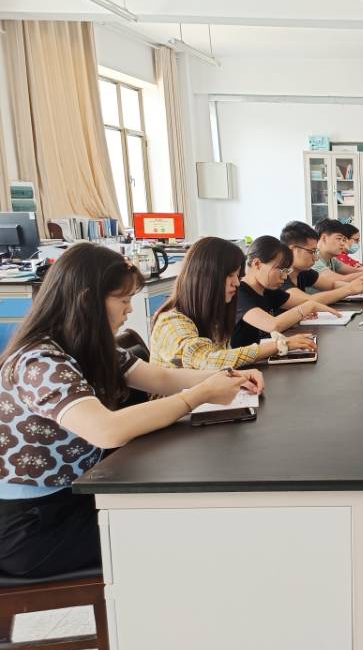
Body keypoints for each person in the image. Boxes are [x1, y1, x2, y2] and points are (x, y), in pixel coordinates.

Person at [0, 243, 261, 577]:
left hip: (74, 495)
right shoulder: (41, 362)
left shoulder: (88, 345)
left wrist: (227, 376)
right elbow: (106, 430)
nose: (129, 310)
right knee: (177, 531)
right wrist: (196, 396)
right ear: (87, 301)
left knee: (182, 514)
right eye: (123, 300)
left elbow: (162, 378)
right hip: (32, 525)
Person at [151, 237, 317, 369]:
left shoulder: (212, 316)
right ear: (206, 277)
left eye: (237, 275)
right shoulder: (171, 322)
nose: (237, 283)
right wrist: (279, 345)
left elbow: (222, 366)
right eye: (230, 275)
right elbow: (207, 360)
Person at [232, 236, 340, 348]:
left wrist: (303, 312)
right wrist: (308, 307)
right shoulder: (239, 293)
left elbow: (304, 302)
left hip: (269, 352)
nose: (284, 277)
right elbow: (273, 325)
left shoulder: (268, 290)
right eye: (281, 270)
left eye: (287, 271)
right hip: (247, 358)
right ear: (257, 264)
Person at [279, 221, 363, 301]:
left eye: (315, 252)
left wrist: (356, 285)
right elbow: (307, 300)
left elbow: (333, 284)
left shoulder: (303, 272)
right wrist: (349, 289)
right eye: (311, 252)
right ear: (292, 250)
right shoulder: (279, 276)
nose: (315, 258)